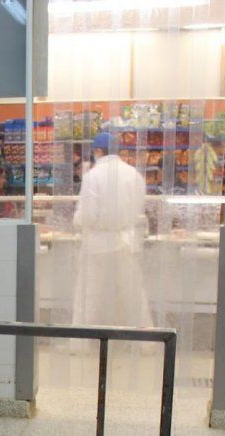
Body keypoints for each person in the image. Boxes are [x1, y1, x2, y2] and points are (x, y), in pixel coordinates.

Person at [72, 131, 151, 328]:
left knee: (91, 298)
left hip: (98, 246)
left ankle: (86, 340)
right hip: (127, 243)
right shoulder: (134, 175)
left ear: (98, 151)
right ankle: (141, 340)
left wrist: (77, 221)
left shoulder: (93, 176)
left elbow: (87, 216)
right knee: (131, 298)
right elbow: (138, 210)